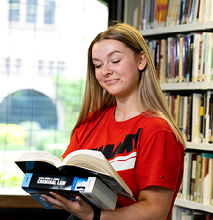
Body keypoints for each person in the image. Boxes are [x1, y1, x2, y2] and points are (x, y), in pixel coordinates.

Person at [41, 22, 185, 220]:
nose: (105, 71)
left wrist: (94, 215)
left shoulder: (158, 130)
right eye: (98, 65)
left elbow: (155, 211)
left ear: (141, 61)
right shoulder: (89, 124)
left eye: (115, 60)